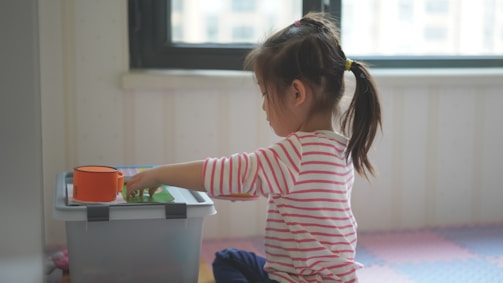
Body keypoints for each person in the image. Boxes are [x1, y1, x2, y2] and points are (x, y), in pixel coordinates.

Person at [126, 12, 381, 283]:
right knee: (234, 258)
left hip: (295, 279)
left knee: (227, 260)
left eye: (265, 93)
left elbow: (227, 170)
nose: (263, 106)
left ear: (297, 93)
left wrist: (158, 174)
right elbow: (253, 182)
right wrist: (230, 186)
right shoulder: (340, 148)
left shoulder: (296, 153)